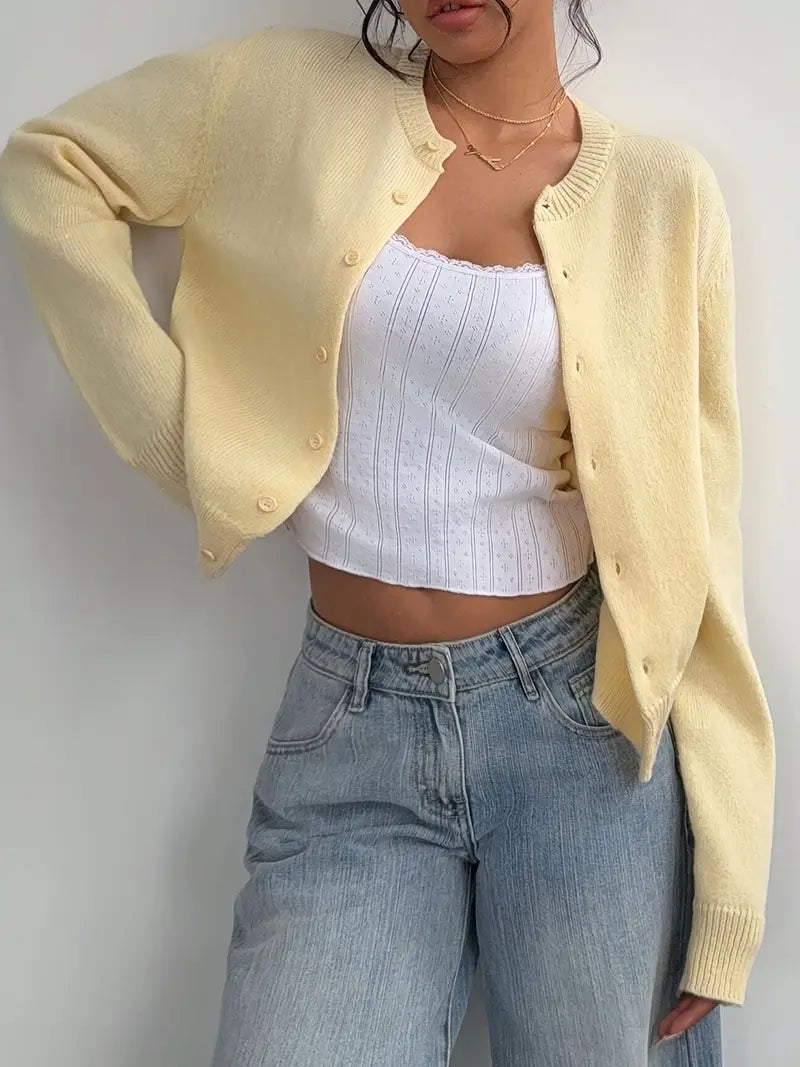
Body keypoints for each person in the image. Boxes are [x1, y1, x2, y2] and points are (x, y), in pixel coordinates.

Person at [0, 2, 776, 1064]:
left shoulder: (659, 194)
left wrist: (728, 883)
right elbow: (53, 166)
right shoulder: (287, 93)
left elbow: (699, 542)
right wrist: (173, 431)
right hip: (350, 727)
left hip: (581, 733)